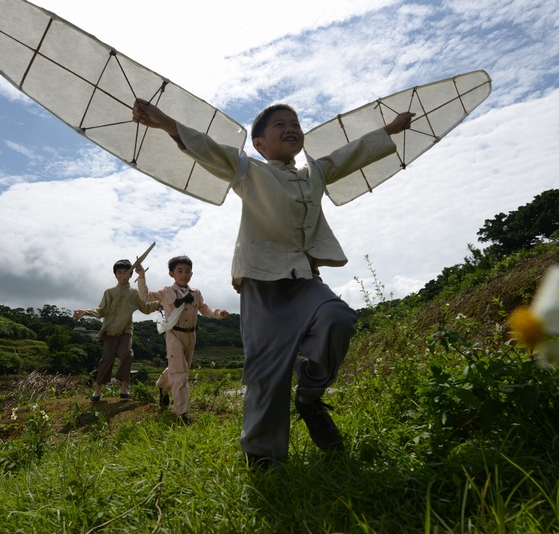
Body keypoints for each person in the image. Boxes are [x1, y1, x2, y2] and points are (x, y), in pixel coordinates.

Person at [132, 98, 414, 466]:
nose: (291, 129)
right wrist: (169, 123)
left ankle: (309, 395)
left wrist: (389, 130)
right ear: (260, 144)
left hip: (303, 278)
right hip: (260, 281)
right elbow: (209, 149)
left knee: (338, 319)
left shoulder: (315, 172)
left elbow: (351, 153)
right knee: (267, 368)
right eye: (280, 125)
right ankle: (263, 457)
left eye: (295, 123)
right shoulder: (249, 170)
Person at [135, 255, 229, 422]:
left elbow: (204, 309)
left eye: (187, 271)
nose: (184, 274)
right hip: (173, 335)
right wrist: (141, 276)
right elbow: (145, 296)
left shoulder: (196, 293)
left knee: (179, 368)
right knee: (180, 373)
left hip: (191, 335)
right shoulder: (166, 292)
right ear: (171, 274)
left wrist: (218, 314)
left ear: (191, 274)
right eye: (180, 271)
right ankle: (182, 414)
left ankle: (162, 386)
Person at [74, 259, 161, 401]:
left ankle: (124, 388)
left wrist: (160, 302)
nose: (122, 275)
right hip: (110, 330)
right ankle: (97, 390)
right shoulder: (109, 292)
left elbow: (146, 308)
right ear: (115, 275)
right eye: (119, 272)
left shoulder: (135, 293)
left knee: (127, 354)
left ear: (131, 275)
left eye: (126, 272)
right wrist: (85, 312)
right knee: (106, 359)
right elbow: (101, 310)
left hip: (126, 330)